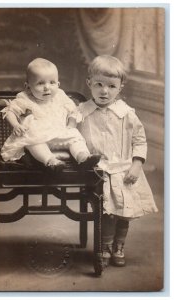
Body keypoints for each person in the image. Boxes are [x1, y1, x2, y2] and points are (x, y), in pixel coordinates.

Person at [77, 55, 158, 267]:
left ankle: (118, 246)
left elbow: (139, 140)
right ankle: (104, 246)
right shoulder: (82, 113)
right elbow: (71, 137)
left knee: (124, 212)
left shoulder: (127, 114)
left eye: (112, 86)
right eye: (99, 85)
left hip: (124, 171)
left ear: (121, 87)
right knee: (107, 212)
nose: (104, 91)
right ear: (89, 84)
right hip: (98, 171)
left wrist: (137, 164)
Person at [1, 58, 100, 171]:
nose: (47, 87)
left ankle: (83, 157)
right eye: (40, 83)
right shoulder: (25, 98)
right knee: (33, 143)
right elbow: (10, 111)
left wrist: (71, 123)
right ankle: (51, 161)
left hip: (59, 133)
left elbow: (73, 110)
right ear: (28, 86)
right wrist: (16, 125)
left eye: (52, 82)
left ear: (58, 84)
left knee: (75, 136)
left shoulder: (60, 95)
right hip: (38, 137)